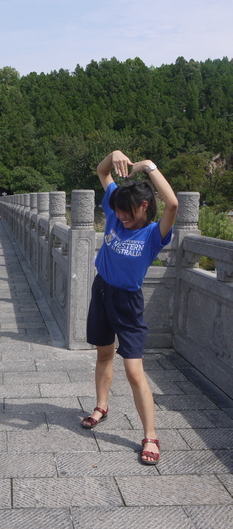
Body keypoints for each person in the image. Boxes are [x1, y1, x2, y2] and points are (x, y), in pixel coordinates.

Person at [82, 150, 178, 466]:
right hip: (102, 291)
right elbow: (102, 172)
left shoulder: (154, 233)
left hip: (128, 302)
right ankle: (101, 406)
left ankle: (150, 435)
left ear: (144, 206)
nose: (121, 217)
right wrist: (114, 155)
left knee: (134, 370)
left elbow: (174, 204)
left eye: (127, 212)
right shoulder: (115, 211)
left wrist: (147, 166)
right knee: (104, 353)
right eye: (117, 212)